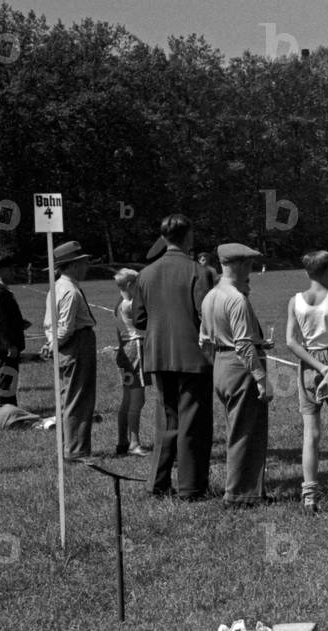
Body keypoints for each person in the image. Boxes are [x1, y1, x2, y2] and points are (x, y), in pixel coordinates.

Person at [132, 214, 216, 501]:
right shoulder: (198, 272)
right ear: (188, 236)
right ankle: (191, 487)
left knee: (166, 421)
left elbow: (139, 319)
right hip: (193, 355)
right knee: (194, 422)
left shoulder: (145, 274)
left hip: (157, 355)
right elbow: (205, 315)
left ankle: (157, 482)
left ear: (164, 238)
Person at [199, 243, 272, 509]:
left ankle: (246, 490)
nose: (251, 269)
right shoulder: (236, 298)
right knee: (247, 431)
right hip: (240, 366)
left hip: (221, 363)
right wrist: (261, 378)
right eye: (249, 264)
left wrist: (218, 364)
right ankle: (241, 494)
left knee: (237, 428)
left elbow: (203, 339)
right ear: (238, 265)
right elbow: (242, 344)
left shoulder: (211, 296)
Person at [287, 250, 328, 514]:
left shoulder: (294, 302)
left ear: (307, 273)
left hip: (308, 366)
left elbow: (292, 341)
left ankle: (310, 497)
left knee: (310, 435)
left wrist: (317, 368)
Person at [44, 241, 98, 462]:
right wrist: (54, 344)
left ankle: (68, 446)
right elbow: (65, 327)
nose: (86, 267)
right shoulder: (71, 291)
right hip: (76, 344)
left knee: (67, 396)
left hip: (64, 345)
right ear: (73, 265)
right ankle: (76, 451)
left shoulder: (55, 288)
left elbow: (49, 324)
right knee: (79, 398)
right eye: (83, 263)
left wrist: (50, 343)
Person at [0, 256, 29, 406]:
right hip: (3, 346)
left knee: (9, 378)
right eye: (10, 270)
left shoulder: (0, 290)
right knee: (5, 379)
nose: (13, 273)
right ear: (0, 271)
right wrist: (8, 344)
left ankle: (10, 408)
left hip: (4, 344)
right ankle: (3, 410)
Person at [113, 268, 150, 457]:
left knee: (127, 399)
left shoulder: (118, 304)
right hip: (136, 349)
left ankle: (122, 441)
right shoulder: (130, 304)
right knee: (137, 399)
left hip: (125, 349)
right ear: (130, 285)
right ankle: (134, 443)